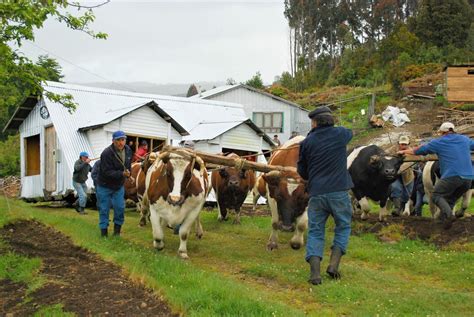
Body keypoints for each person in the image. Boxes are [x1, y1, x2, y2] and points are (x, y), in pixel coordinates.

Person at [297, 106, 353, 285]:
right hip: (339, 192)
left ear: (314, 123)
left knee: (315, 231)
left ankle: (315, 274)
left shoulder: (306, 143)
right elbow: (350, 133)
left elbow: (303, 172)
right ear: (331, 120)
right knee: (343, 226)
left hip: (317, 194)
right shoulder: (341, 134)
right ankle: (333, 265)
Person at [398, 122, 474, 228]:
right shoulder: (465, 139)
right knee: (450, 200)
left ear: (443, 132)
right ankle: (443, 223)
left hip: (452, 176)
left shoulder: (439, 142)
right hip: (468, 179)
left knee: (436, 195)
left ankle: (448, 216)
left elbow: (421, 150)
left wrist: (404, 152)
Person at [96, 130, 133, 237]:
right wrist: (122, 174)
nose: (121, 142)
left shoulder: (128, 150)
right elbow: (107, 172)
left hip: (118, 186)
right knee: (104, 209)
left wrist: (129, 175)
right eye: (118, 140)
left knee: (120, 208)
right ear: (113, 141)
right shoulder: (106, 153)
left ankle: (116, 233)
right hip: (104, 185)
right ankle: (104, 234)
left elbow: (128, 165)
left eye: (123, 140)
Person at [390, 136, 415, 216]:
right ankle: (397, 208)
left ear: (408, 144)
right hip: (395, 176)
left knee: (406, 195)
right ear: (398, 144)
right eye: (402, 144)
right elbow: (386, 155)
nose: (403, 146)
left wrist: (398, 170)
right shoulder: (393, 150)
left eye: (405, 144)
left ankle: (401, 208)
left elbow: (408, 163)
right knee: (395, 187)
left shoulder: (412, 152)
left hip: (408, 177)